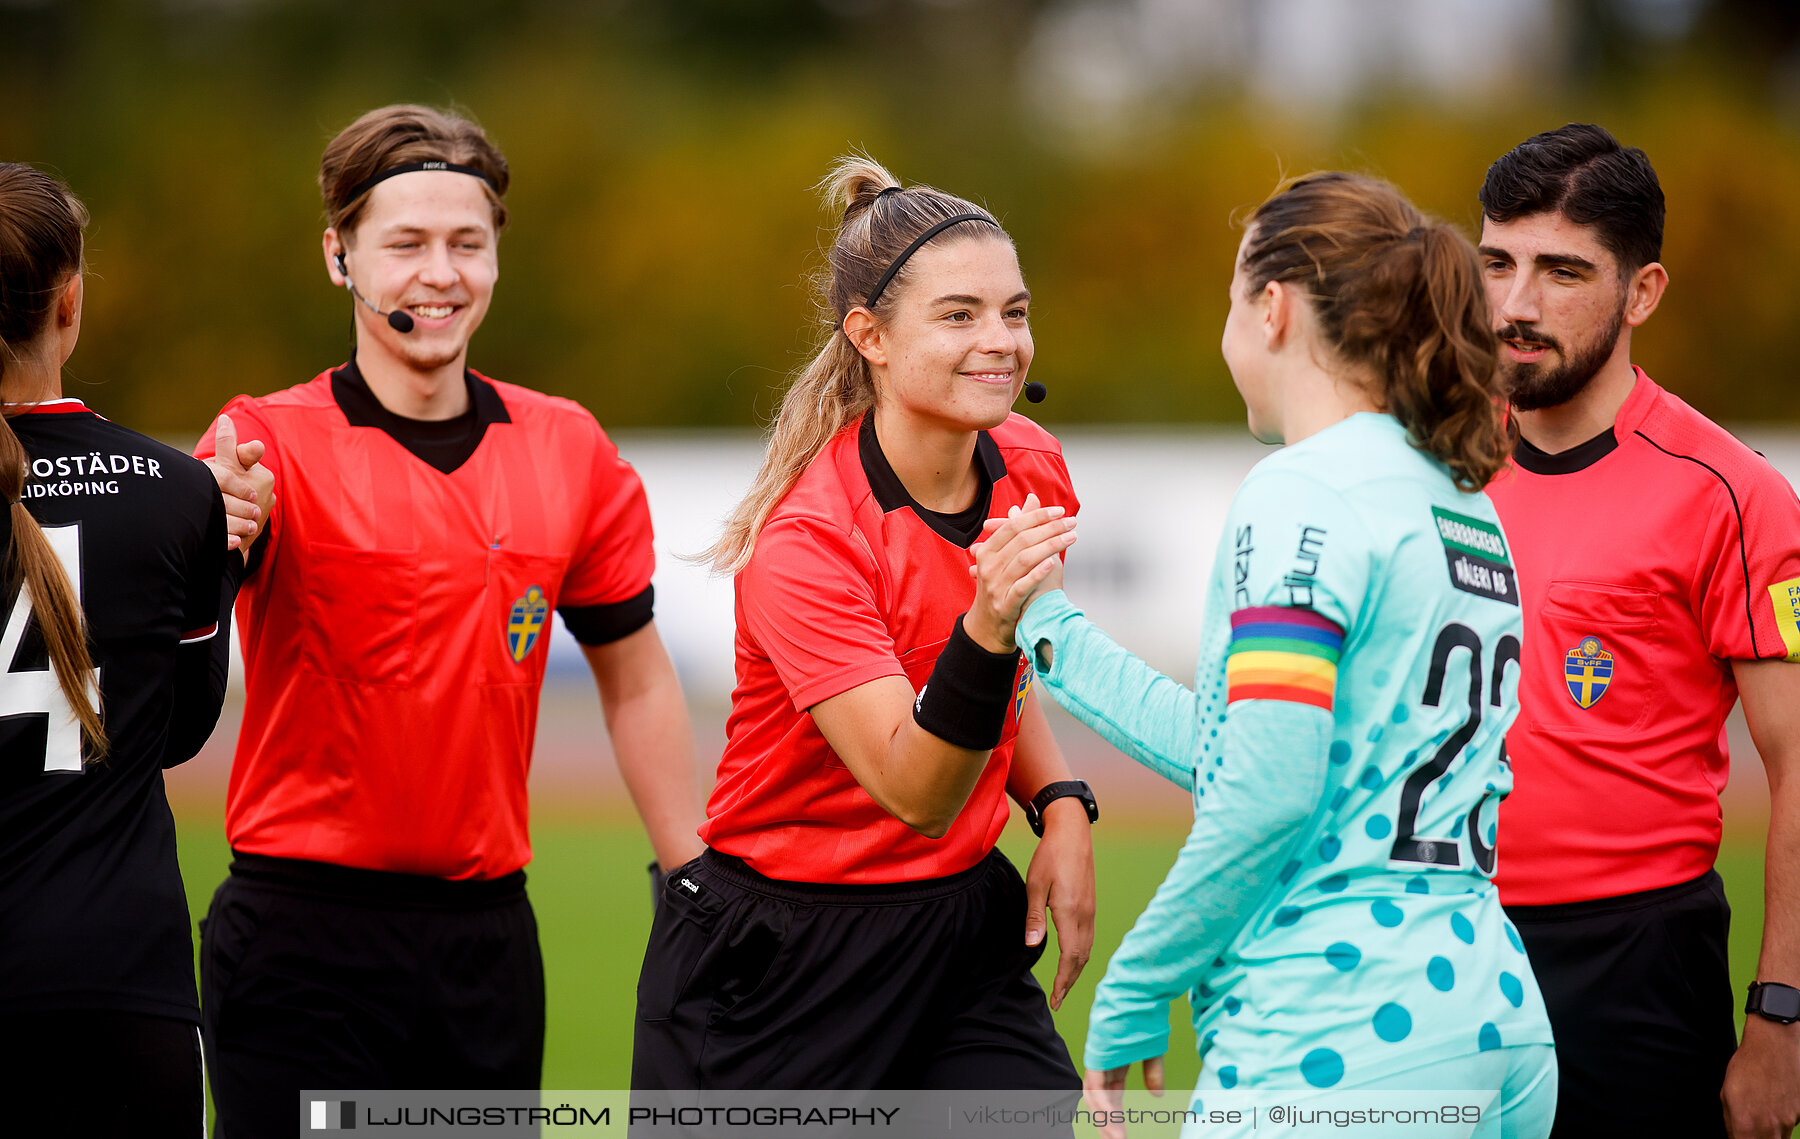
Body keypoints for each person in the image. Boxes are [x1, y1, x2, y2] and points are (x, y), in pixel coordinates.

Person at [993, 172, 1557, 1136]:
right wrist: (1049, 627)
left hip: (1343, 1036)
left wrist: (1135, 986)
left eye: (1227, 299)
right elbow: (1251, 742)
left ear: (1272, 306)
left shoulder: (1302, 490)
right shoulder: (1460, 498)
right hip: (1493, 1010)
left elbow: (1267, 789)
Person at [192, 104, 704, 1135]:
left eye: (467, 243)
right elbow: (170, 645)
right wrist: (211, 530)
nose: (440, 274)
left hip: (486, 947)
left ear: (497, 257)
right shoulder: (260, 443)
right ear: (339, 255)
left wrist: (692, 874)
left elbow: (638, 676)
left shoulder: (568, 449)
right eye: (406, 244)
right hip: (299, 943)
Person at [631, 156, 1094, 1092]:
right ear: (869, 336)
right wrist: (989, 620)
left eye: (1015, 310)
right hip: (784, 957)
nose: (1000, 340)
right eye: (959, 315)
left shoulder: (1032, 464)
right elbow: (915, 791)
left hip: (959, 929)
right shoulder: (807, 540)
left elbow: (1007, 676)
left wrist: (1061, 804)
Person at [1476, 123, 1800, 1139]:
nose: (1519, 304)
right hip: (1442, 942)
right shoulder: (1431, 459)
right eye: (1498, 263)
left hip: (1635, 966)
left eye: (1562, 271)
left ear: (1643, 292)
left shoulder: (1734, 494)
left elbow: (1798, 764)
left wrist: (1782, 1017)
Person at [0, 164, 269, 1135]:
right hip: (118, 981)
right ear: (69, 304)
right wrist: (227, 549)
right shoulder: (171, 490)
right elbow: (178, 728)